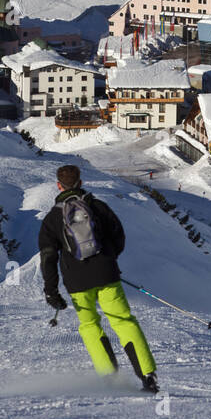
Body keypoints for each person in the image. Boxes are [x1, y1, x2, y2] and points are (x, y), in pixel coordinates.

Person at [40, 164, 159, 393]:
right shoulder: (97, 207)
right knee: (123, 321)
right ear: (80, 183)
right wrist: (108, 259)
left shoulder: (52, 218)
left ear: (58, 185)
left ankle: (110, 377)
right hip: (107, 275)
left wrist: (51, 290)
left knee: (89, 325)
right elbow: (118, 235)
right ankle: (147, 375)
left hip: (76, 283)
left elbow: (48, 256)